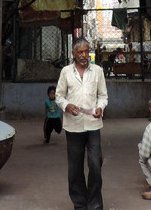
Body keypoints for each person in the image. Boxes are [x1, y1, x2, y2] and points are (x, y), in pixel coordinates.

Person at [56, 37, 109, 210]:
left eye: (86, 51)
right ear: (73, 54)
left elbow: (103, 96)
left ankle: (95, 204)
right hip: (73, 126)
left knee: (95, 163)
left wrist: (100, 107)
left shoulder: (98, 71)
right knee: (75, 167)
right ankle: (79, 204)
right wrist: (66, 105)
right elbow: (59, 96)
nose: (84, 55)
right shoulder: (65, 72)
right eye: (80, 52)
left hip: (93, 125)